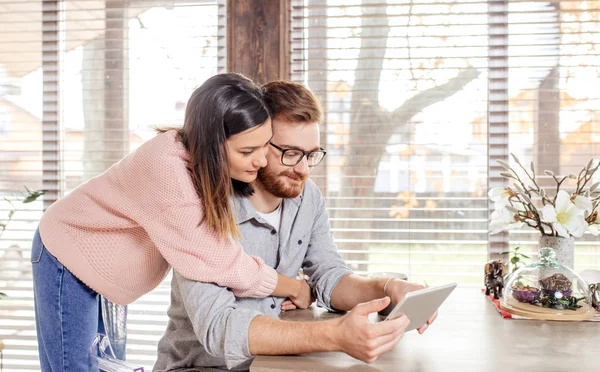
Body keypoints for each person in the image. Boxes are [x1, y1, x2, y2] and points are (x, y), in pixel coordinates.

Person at [31, 73, 312, 371]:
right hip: (68, 252)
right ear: (213, 143)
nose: (261, 161)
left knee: (106, 365)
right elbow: (218, 260)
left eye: (263, 147)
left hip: (100, 266)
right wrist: (292, 287)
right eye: (247, 151)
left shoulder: (201, 164)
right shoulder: (168, 170)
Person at [153, 81, 436, 371]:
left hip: (271, 364)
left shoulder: (307, 197)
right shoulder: (200, 207)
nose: (302, 169)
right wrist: (334, 335)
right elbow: (219, 328)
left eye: (311, 154)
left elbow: (329, 275)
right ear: (257, 141)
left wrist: (388, 289)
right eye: (290, 153)